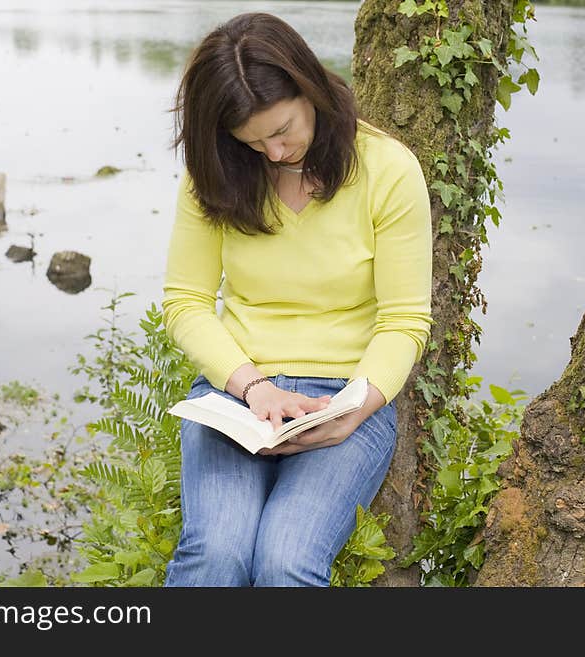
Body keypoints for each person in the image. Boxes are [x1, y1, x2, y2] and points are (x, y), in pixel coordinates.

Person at [161, 12, 432, 587]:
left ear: (309, 88)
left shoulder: (387, 168)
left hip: (343, 399)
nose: (276, 151)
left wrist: (354, 411)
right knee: (216, 555)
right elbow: (185, 301)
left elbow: (405, 320)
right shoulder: (214, 174)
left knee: (285, 563)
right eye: (254, 140)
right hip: (236, 395)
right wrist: (251, 385)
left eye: (283, 129)